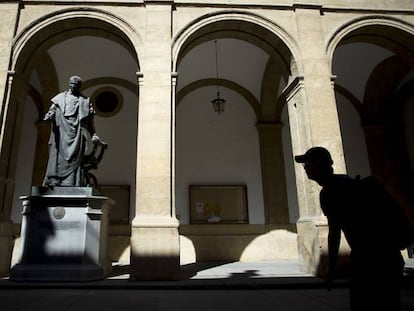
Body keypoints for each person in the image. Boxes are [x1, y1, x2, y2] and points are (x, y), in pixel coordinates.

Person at [294, 146, 405, 311]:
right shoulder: (345, 182)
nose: (305, 168)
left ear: (320, 164)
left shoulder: (330, 192)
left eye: (308, 163)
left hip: (370, 259)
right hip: (386, 256)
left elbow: (334, 232)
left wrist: (331, 267)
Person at [42, 75, 102, 186]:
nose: (73, 86)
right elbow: (52, 111)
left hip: (77, 135)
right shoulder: (59, 98)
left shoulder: (84, 101)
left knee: (75, 160)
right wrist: (49, 116)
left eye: (76, 85)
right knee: (57, 158)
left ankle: (71, 182)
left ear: (79, 86)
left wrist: (93, 134)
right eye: (71, 84)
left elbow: (89, 121)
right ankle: (55, 181)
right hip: (61, 134)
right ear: (69, 84)